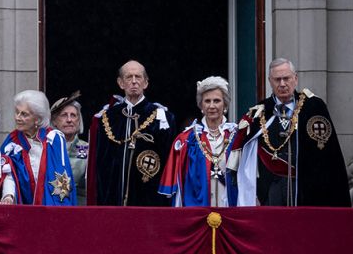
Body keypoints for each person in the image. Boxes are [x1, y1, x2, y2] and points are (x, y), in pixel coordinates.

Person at [231, 58, 350, 206]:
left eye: (286, 78)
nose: (282, 84)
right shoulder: (260, 111)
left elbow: (328, 155)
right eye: (277, 79)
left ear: (295, 78)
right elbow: (244, 157)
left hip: (306, 190)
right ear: (270, 81)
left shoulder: (313, 107)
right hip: (270, 191)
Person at [87, 60, 176, 207]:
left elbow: (170, 164)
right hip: (113, 199)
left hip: (149, 198)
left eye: (138, 77)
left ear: (146, 83)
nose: (134, 81)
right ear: (121, 83)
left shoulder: (162, 118)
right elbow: (99, 165)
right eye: (129, 77)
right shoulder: (107, 118)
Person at [157, 77, 238, 208]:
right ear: (201, 105)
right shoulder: (187, 139)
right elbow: (178, 185)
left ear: (225, 104)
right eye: (207, 101)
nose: (212, 106)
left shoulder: (237, 137)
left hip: (230, 210)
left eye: (217, 101)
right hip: (197, 211)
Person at [0, 90, 76, 206]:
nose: (17, 118)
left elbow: (62, 177)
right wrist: (8, 196)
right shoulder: (12, 142)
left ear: (37, 119)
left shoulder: (54, 139)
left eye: (24, 114)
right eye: (17, 112)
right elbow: (9, 174)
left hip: (51, 208)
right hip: (23, 207)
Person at [50, 92, 89, 204]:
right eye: (64, 115)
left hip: (79, 208)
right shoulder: (46, 147)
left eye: (73, 115)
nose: (69, 120)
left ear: (79, 121)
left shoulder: (89, 149)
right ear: (54, 121)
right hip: (51, 206)